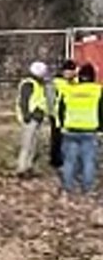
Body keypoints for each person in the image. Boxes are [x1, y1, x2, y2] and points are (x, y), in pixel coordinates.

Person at [56, 61, 103, 194]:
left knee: (69, 161)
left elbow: (61, 109)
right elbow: (102, 111)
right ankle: (87, 189)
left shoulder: (70, 90)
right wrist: (101, 129)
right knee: (88, 161)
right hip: (89, 130)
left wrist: (61, 126)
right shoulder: (98, 90)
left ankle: (68, 188)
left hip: (70, 129)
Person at [15, 60, 51, 177]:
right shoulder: (29, 84)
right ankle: (21, 168)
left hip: (36, 117)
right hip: (30, 118)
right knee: (27, 145)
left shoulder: (37, 84)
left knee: (33, 144)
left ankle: (28, 167)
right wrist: (27, 115)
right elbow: (23, 101)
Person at [49, 59, 78, 169]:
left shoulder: (74, 82)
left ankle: (68, 159)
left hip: (70, 113)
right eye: (68, 71)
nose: (70, 73)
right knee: (57, 137)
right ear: (63, 71)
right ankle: (56, 160)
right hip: (57, 113)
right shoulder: (56, 82)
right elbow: (51, 98)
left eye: (72, 71)